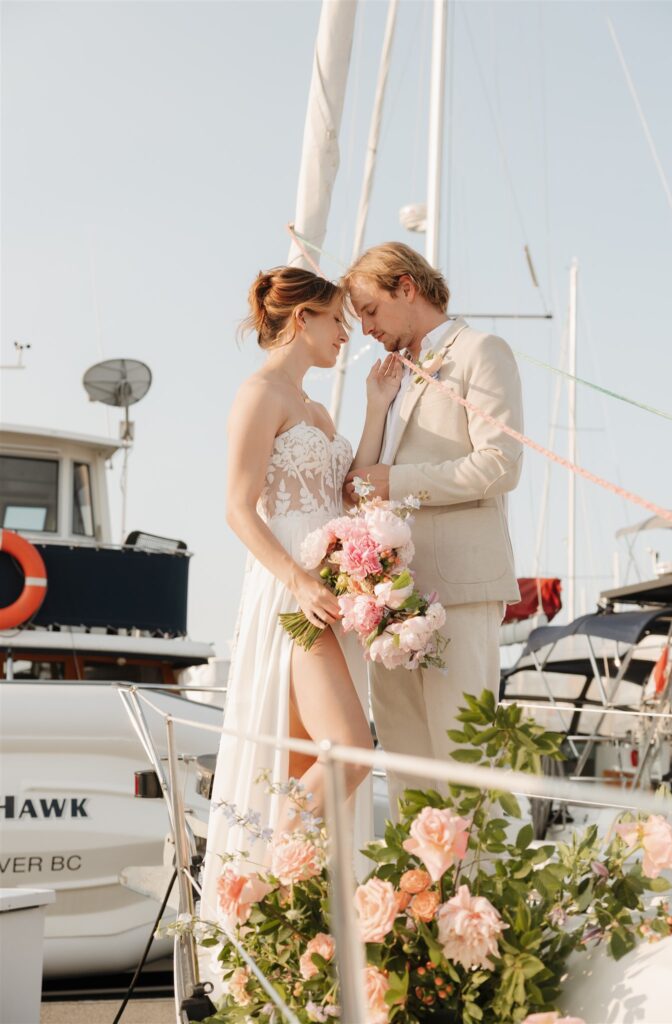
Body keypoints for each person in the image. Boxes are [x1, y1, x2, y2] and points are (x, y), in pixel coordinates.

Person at [200, 266, 402, 973]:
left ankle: (288, 933)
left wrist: (376, 409)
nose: (347, 334)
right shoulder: (260, 394)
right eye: (339, 321)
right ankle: (262, 878)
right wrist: (298, 579)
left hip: (331, 596)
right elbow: (236, 506)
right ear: (303, 318)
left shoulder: (314, 409)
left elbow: (351, 491)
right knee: (350, 749)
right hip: (294, 595)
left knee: (297, 765)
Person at [342, 242, 523, 816]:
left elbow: (499, 465)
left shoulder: (481, 352)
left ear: (406, 287)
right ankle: (417, 901)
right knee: (405, 770)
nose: (365, 328)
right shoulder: (392, 377)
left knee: (465, 767)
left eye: (369, 310)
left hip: (461, 589)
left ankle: (480, 901)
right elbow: (362, 484)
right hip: (392, 601)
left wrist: (395, 481)